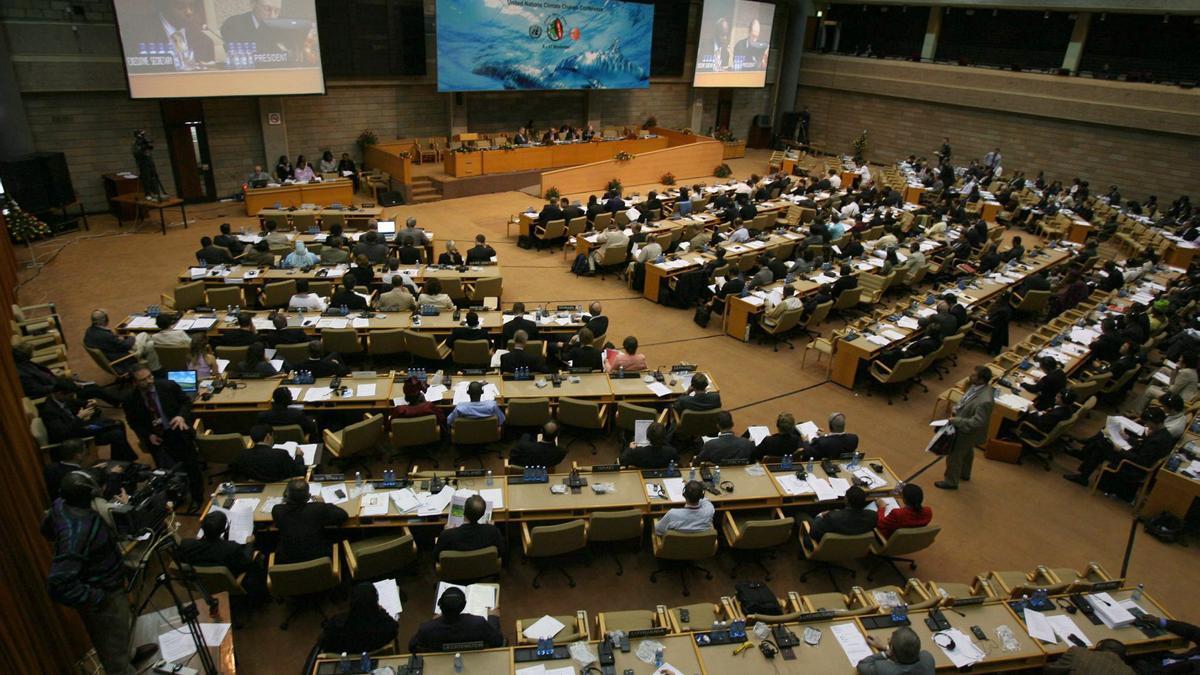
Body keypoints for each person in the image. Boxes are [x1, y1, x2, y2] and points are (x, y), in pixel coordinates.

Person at [42, 471, 142, 675]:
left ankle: (130, 655)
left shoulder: (61, 504)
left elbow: (46, 530)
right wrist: (97, 597)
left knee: (121, 633)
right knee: (114, 655)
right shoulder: (79, 531)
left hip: (110, 584)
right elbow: (58, 585)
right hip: (104, 595)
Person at [1064, 407, 1174, 489]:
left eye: (1148, 423)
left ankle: (1083, 473)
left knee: (1101, 445)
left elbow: (1140, 461)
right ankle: (1083, 466)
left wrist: (1120, 450)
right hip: (1135, 456)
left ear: (1153, 422)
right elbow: (1143, 448)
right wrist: (1128, 438)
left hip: (1133, 466)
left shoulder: (1157, 440)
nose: (1147, 426)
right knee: (1103, 440)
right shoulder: (1164, 434)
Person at [41, 378, 138, 462]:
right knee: (116, 434)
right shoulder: (49, 411)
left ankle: (122, 460)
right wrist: (79, 418)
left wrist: (88, 403)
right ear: (59, 394)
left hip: (81, 426)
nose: (71, 398)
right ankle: (125, 460)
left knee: (118, 423)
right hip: (74, 438)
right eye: (70, 396)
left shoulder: (62, 399)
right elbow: (63, 433)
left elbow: (76, 402)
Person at [179, 510, 267, 600]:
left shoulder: (186, 545)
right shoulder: (231, 548)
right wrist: (249, 544)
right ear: (224, 529)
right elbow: (247, 562)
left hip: (203, 583)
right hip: (230, 581)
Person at [937, 366, 995, 490]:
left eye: (974, 375)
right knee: (967, 452)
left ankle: (951, 482)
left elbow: (978, 422)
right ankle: (965, 473)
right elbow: (966, 399)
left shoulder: (985, 401)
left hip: (966, 431)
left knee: (954, 456)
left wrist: (957, 420)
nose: (970, 376)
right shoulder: (976, 387)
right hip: (964, 425)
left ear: (981, 380)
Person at [271, 478, 349, 564]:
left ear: (286, 494)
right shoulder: (318, 508)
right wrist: (323, 504)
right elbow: (343, 515)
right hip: (319, 561)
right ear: (308, 496)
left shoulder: (277, 510)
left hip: (287, 562)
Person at [408, 586, 505, 653]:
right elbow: (498, 641)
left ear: (440, 605)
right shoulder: (478, 623)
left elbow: (412, 646)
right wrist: (493, 617)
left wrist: (434, 622)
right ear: (463, 606)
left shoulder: (427, 628)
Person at [319, 583, 399, 655]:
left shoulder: (335, 625)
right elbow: (394, 629)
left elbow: (322, 643)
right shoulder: (386, 627)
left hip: (344, 663)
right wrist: (382, 612)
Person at [803, 485, 876, 546]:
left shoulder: (832, 517)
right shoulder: (873, 516)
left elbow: (813, 532)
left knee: (800, 515)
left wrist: (820, 515)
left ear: (846, 500)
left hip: (824, 547)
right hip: (851, 548)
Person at [858, 626, 936, 675]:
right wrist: (886, 647)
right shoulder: (927, 658)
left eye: (890, 641)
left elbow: (862, 665)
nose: (888, 639)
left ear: (892, 651)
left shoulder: (884, 670)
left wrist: (886, 653)